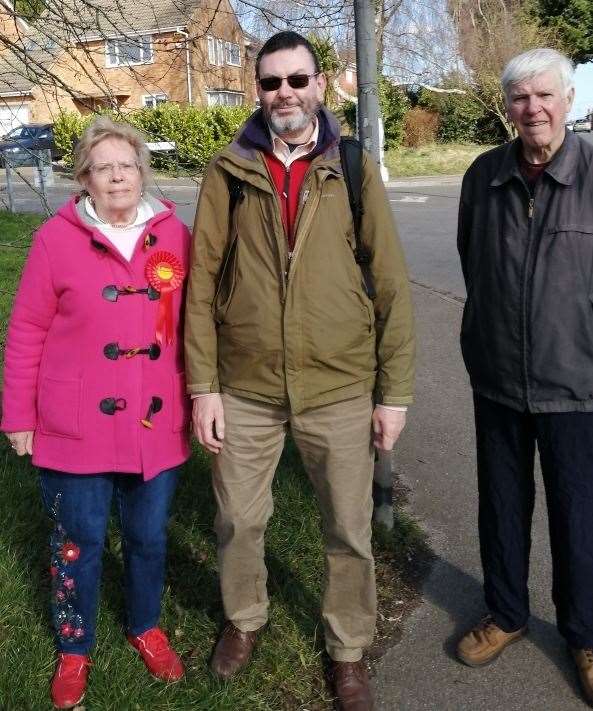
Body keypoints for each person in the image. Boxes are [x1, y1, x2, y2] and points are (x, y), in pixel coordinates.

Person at [185, 30, 415, 711]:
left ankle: (347, 648)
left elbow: (392, 282)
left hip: (339, 383)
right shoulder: (228, 169)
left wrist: (392, 393)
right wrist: (204, 386)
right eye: (270, 82)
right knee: (238, 520)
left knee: (347, 528)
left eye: (295, 79)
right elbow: (200, 284)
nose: (283, 93)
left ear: (318, 84)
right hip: (247, 384)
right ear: (256, 90)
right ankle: (244, 617)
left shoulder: (349, 163)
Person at [1, 116, 192, 709]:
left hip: (153, 422)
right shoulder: (55, 239)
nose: (117, 176)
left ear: (143, 172)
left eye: (127, 165)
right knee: (76, 541)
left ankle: (145, 624)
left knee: (148, 537)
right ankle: (75, 645)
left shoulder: (176, 235)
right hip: (74, 421)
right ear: (83, 176)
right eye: (103, 166)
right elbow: (27, 329)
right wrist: (18, 418)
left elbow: (197, 326)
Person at [456, 47, 593, 703]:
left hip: (578, 382)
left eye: (543, 95)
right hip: (499, 380)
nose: (531, 108)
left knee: (580, 515)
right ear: (506, 107)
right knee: (501, 507)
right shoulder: (483, 174)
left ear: (568, 100)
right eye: (519, 98)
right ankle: (506, 612)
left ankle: (585, 633)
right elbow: (470, 261)